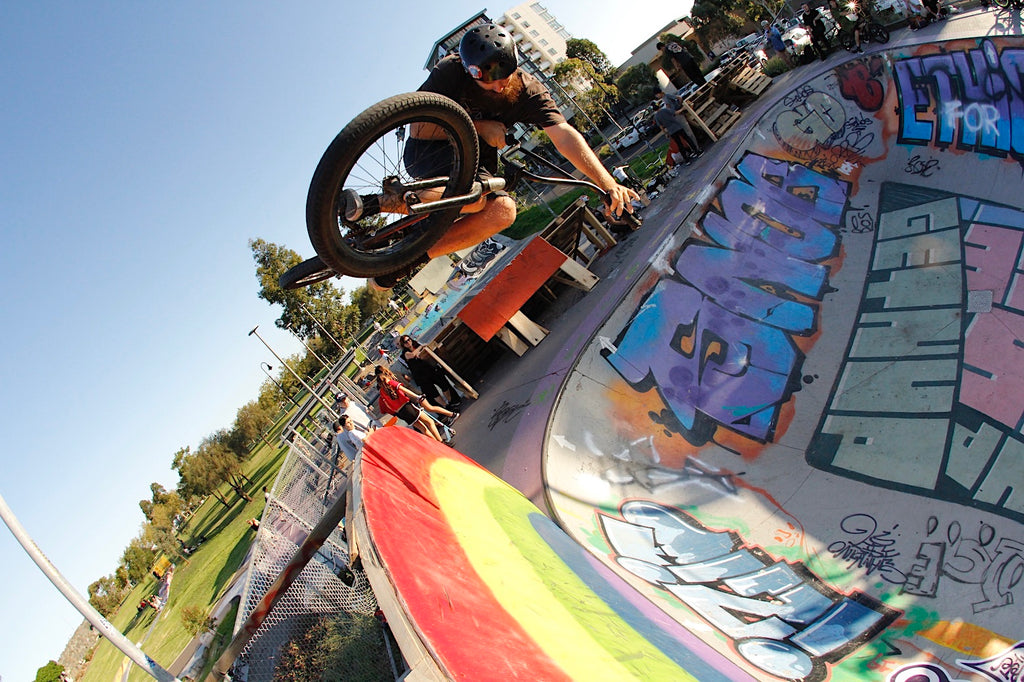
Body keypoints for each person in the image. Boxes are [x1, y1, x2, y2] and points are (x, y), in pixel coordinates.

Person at [354, 23, 638, 289]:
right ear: (471, 72)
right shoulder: (451, 71)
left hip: (476, 162)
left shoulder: (528, 91)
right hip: (429, 150)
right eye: (489, 83)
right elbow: (419, 128)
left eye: (505, 78)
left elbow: (563, 135)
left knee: (503, 212)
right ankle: (369, 205)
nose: (499, 86)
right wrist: (477, 126)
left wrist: (606, 182)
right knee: (474, 198)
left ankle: (412, 256)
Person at [374, 365, 456, 442]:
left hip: (402, 412)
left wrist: (396, 411)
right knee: (429, 415)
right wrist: (417, 396)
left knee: (423, 428)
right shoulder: (393, 377)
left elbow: (386, 408)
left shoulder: (382, 393)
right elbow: (407, 382)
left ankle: (438, 442)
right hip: (410, 398)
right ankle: (451, 415)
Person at [398, 334, 462, 408]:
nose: (408, 342)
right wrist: (421, 347)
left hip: (429, 369)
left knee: (444, 385)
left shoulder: (416, 345)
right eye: (406, 342)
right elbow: (412, 355)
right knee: (434, 393)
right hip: (421, 376)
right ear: (403, 345)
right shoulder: (405, 353)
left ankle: (450, 401)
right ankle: (446, 406)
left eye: (409, 340)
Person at [653, 91, 703, 162]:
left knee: (679, 144)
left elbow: (661, 126)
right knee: (687, 137)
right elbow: (675, 112)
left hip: (671, 131)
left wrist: (666, 133)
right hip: (677, 126)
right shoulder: (665, 110)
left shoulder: (657, 117)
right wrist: (682, 108)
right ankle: (697, 150)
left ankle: (687, 159)